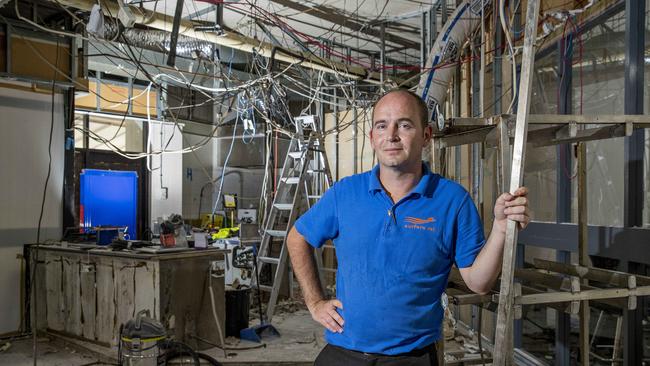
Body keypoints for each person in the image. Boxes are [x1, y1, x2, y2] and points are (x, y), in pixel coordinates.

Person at [287, 88, 530, 365]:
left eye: (404, 125)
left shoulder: (452, 200)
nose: (391, 135)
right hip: (344, 352)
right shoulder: (345, 194)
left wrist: (500, 228)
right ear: (372, 138)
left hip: (411, 358)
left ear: (426, 136)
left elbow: (478, 282)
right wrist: (315, 302)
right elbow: (298, 237)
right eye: (382, 125)